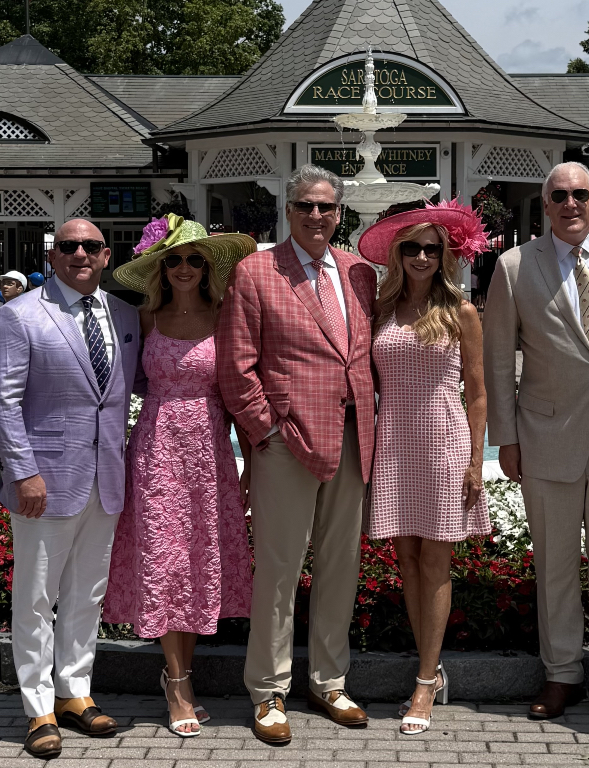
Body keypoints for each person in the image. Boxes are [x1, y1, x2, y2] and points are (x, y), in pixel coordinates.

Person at [483, 161, 589, 726]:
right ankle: (560, 675)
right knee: (553, 563)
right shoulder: (512, 267)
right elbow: (498, 359)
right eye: (560, 195)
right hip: (546, 433)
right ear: (545, 203)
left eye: (581, 194)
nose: (570, 203)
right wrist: (504, 439)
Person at [217, 164, 377, 745]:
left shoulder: (360, 273)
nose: (317, 216)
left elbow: (361, 354)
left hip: (354, 436)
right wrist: (265, 434)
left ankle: (329, 681)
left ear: (341, 213)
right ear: (288, 211)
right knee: (280, 571)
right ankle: (267, 690)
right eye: (306, 206)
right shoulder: (257, 272)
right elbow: (236, 366)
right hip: (288, 442)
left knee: (340, 568)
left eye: (327, 208)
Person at [0, 220, 141, 759]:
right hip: (44, 482)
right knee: (35, 597)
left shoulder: (123, 316)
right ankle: (38, 707)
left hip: (106, 479)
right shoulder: (19, 315)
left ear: (106, 255)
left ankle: (76, 692)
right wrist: (22, 471)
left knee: (86, 594)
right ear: (52, 255)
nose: (79, 253)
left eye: (90, 246)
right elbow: (1, 400)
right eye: (68, 246)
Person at [102, 214, 256, 738]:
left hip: (211, 450)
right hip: (157, 446)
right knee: (165, 560)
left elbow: (240, 391)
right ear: (161, 268)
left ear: (208, 267)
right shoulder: (145, 318)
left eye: (195, 259)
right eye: (175, 260)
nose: (185, 267)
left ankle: (181, 672)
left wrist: (253, 461)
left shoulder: (226, 314)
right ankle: (177, 682)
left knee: (197, 560)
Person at [357, 201, 491, 735]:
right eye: (410, 247)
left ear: (445, 255)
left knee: (435, 561)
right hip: (393, 442)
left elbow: (478, 392)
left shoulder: (461, 310)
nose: (420, 256)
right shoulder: (380, 308)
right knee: (406, 557)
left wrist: (477, 459)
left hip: (442, 444)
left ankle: (425, 678)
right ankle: (428, 667)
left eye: (431, 249)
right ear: (397, 253)